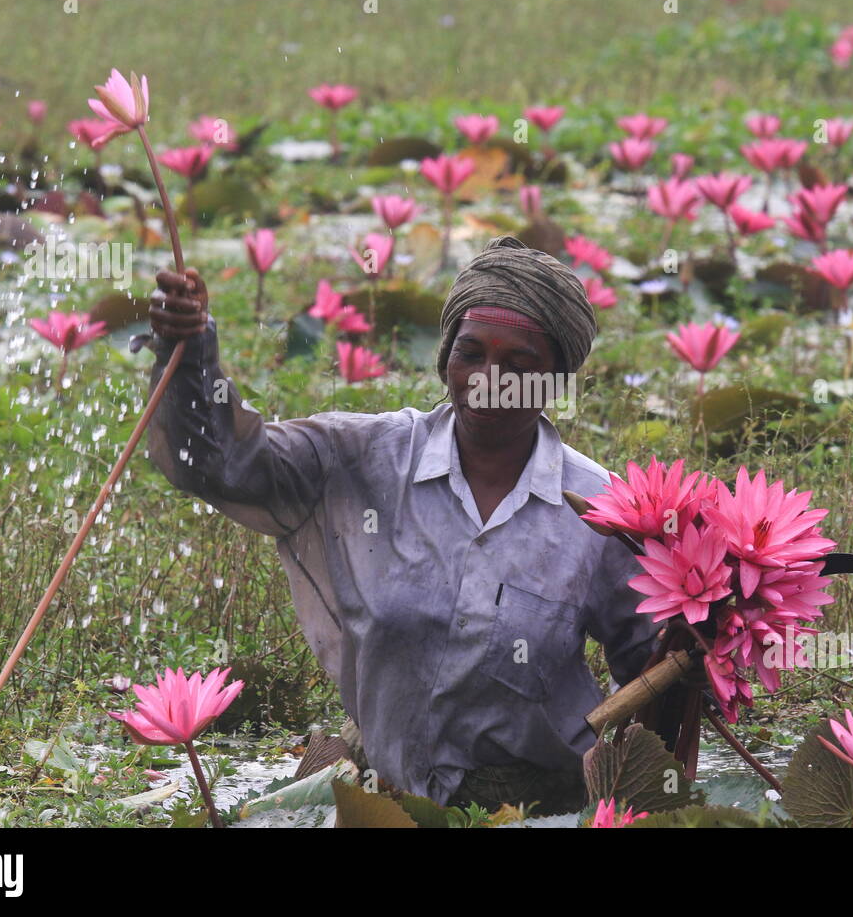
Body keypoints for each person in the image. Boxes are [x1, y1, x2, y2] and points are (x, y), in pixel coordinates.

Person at [145, 235, 659, 814]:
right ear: (445, 360)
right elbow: (223, 464)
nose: (489, 378)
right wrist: (189, 353)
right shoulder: (362, 457)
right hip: (384, 803)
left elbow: (654, 676)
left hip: (538, 809)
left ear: (556, 380)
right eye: (471, 354)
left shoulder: (603, 510)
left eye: (519, 364)